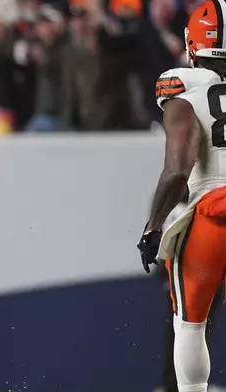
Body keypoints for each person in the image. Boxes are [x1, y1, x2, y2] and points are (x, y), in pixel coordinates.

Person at [137, 2, 226, 391]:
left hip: (213, 213)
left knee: (189, 323)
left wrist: (152, 227)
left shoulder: (185, 86)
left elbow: (178, 169)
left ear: (193, 43)